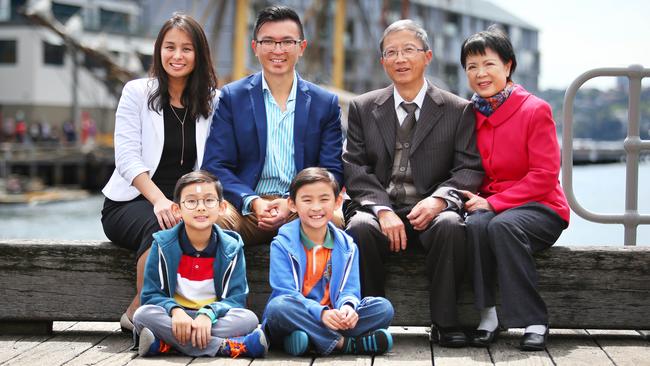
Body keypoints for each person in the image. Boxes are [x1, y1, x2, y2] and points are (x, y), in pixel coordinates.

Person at [343, 19, 484, 347]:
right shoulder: (364, 107)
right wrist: (381, 209)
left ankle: (445, 322)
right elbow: (354, 167)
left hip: (429, 209)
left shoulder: (457, 109)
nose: (400, 58)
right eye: (391, 52)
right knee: (360, 227)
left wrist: (438, 200)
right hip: (380, 209)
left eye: (409, 50)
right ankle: (371, 322)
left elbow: (468, 170)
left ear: (427, 56)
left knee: (451, 224)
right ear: (383, 62)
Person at [101, 13, 219, 334]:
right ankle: (143, 313)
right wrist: (159, 200)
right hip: (132, 201)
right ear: (159, 50)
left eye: (186, 49)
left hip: (186, 203)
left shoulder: (212, 100)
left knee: (200, 226)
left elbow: (213, 163)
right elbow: (126, 158)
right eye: (170, 47)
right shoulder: (137, 93)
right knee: (162, 223)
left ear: (199, 55)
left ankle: (172, 313)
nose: (177, 56)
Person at [459, 26, 570, 351]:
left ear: (508, 66)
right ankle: (488, 315)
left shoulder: (535, 110)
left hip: (541, 207)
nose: (480, 74)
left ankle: (534, 320)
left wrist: (495, 204)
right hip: (489, 207)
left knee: (502, 226)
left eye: (488, 64)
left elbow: (545, 175)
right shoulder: (470, 114)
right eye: (471, 66)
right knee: (475, 226)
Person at [202, 6, 343, 247]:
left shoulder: (324, 103)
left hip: (301, 207)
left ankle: (320, 286)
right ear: (255, 47)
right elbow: (215, 165)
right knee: (209, 223)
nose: (278, 50)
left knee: (336, 223)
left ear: (302, 47)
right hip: (247, 208)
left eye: (287, 42)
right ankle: (216, 286)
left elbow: (332, 170)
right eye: (268, 41)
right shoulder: (232, 98)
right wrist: (253, 200)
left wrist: (292, 202)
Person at [134, 170, 268, 358]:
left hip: (214, 319)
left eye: (209, 200)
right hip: (175, 319)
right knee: (142, 315)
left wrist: (208, 314)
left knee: (249, 319)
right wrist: (175, 311)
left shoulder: (231, 246)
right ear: (177, 209)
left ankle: (167, 344)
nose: (201, 207)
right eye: (191, 201)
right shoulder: (163, 244)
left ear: (222, 207)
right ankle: (228, 347)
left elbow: (236, 300)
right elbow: (151, 295)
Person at [263, 167, 394, 356]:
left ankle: (308, 340)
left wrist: (347, 308)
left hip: (333, 315)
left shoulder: (347, 246)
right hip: (299, 313)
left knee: (383, 308)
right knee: (278, 307)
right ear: (292, 204)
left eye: (324, 199)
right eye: (307, 200)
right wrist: (321, 314)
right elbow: (286, 292)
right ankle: (344, 344)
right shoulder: (283, 244)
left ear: (337, 202)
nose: (316, 207)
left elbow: (349, 290)